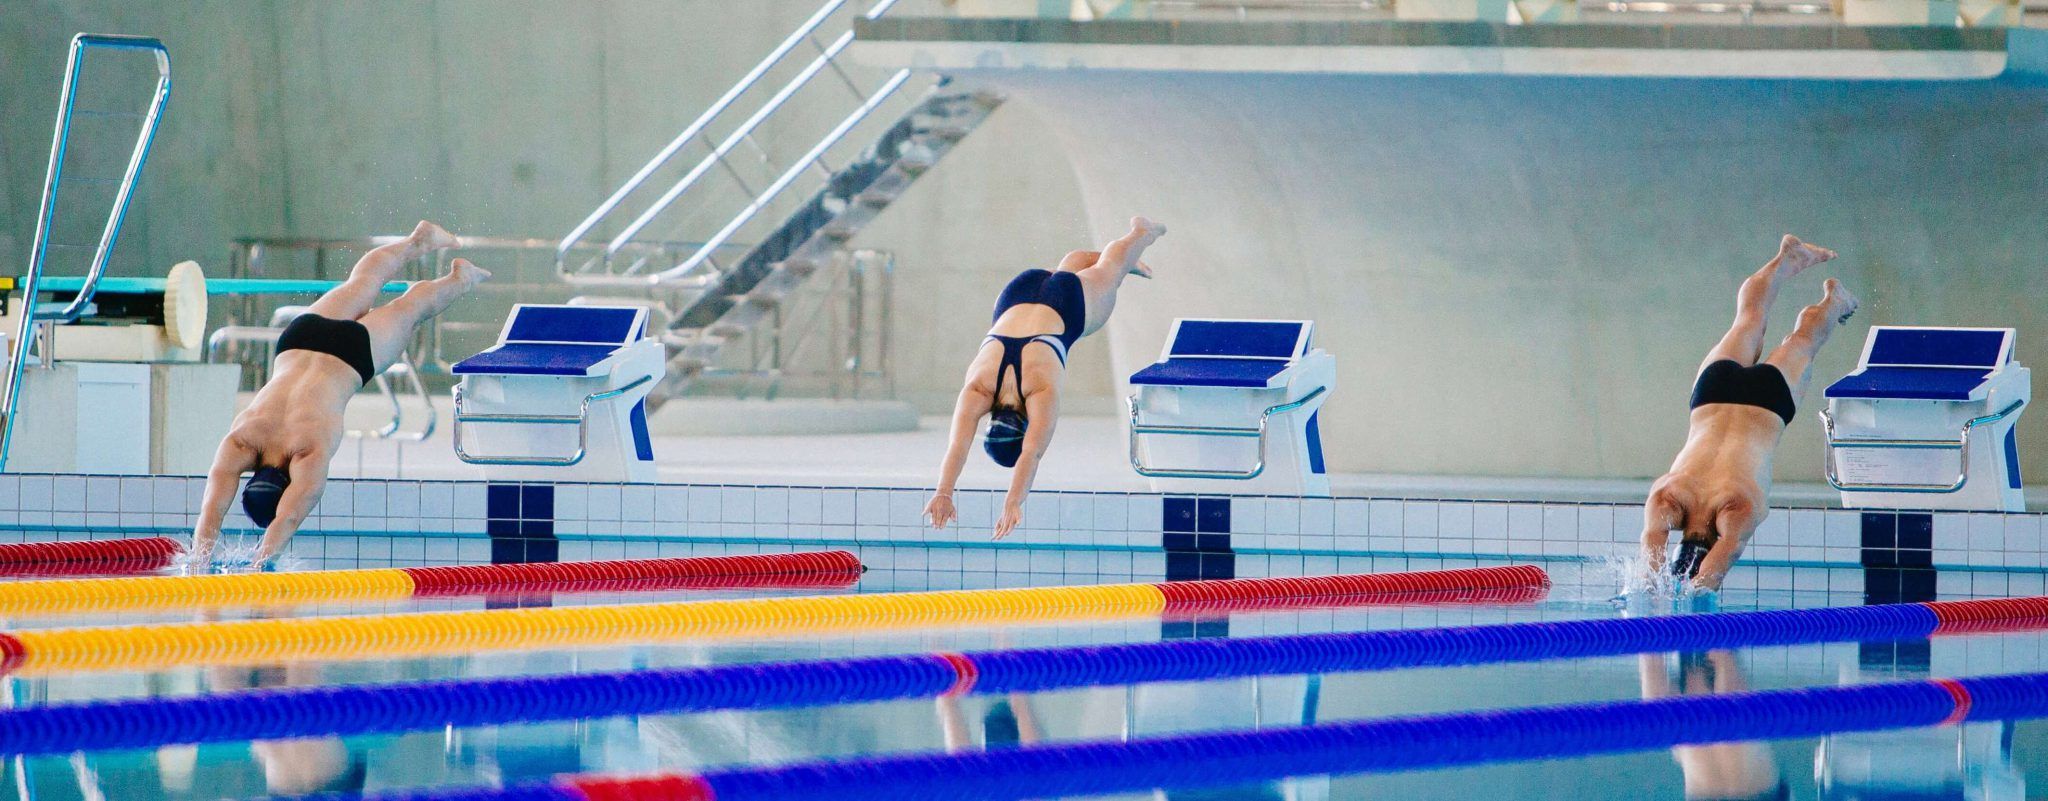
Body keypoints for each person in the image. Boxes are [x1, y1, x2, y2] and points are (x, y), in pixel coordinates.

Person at [192, 221, 489, 565]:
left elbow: (287, 518)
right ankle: (415, 241)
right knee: (362, 282)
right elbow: (210, 510)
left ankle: (461, 278)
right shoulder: (242, 440)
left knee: (411, 308)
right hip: (299, 339)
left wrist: (259, 564)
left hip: (352, 356)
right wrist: (198, 559)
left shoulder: (307, 450)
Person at [924, 217, 1166, 539]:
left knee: (1112, 269)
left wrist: (1014, 501)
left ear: (1023, 427)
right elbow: (957, 446)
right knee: (1073, 269)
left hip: (1067, 306)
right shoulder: (978, 388)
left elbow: (1032, 453)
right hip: (1016, 293)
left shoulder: (1039, 389)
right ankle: (1090, 263)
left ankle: (1141, 233)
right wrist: (943, 492)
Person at [1643, 235, 1857, 589]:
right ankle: (1786, 258)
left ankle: (1836, 300)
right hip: (1712, 396)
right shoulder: (1669, 497)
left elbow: (1714, 570)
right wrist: (1654, 588)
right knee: (1747, 320)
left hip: (1766, 405)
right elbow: (1650, 563)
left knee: (1803, 339)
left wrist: (1694, 594)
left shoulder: (1737, 508)